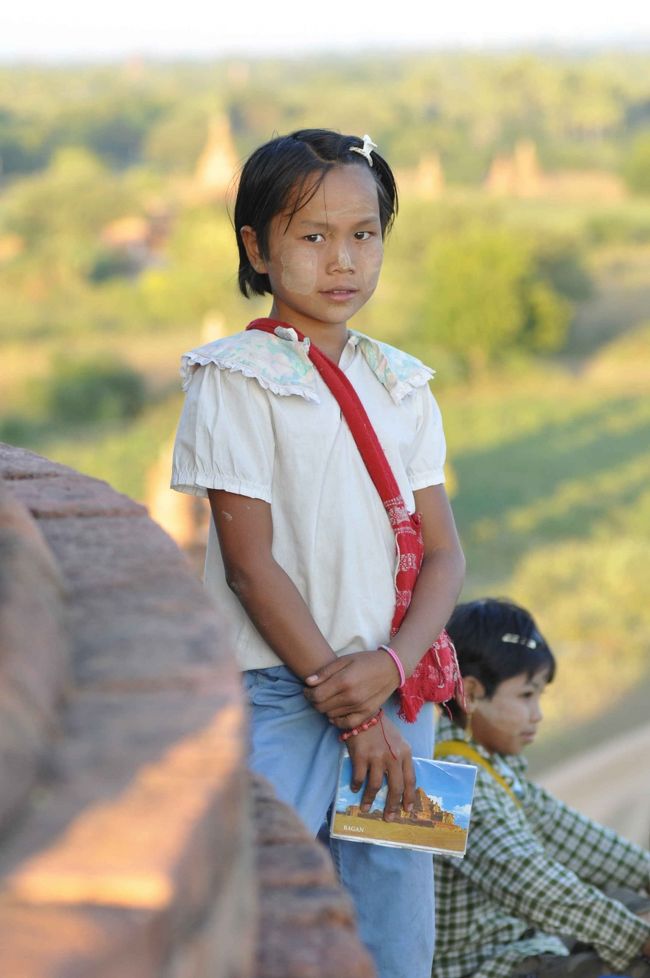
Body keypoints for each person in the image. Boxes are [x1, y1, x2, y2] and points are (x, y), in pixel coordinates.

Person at [171, 128, 465, 978]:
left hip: (395, 694)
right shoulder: (235, 377)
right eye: (312, 236)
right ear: (256, 248)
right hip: (282, 695)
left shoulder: (402, 382)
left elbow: (444, 555)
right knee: (275, 921)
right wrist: (356, 710)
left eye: (363, 235)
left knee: (393, 934)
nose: (343, 260)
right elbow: (250, 566)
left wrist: (391, 669)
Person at [434, 597, 650, 978]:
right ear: (469, 692)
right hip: (489, 965)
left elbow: (576, 838)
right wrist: (637, 938)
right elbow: (533, 885)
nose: (538, 714)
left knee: (630, 896)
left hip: (523, 947)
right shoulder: (451, 779)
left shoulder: (489, 764)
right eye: (525, 695)